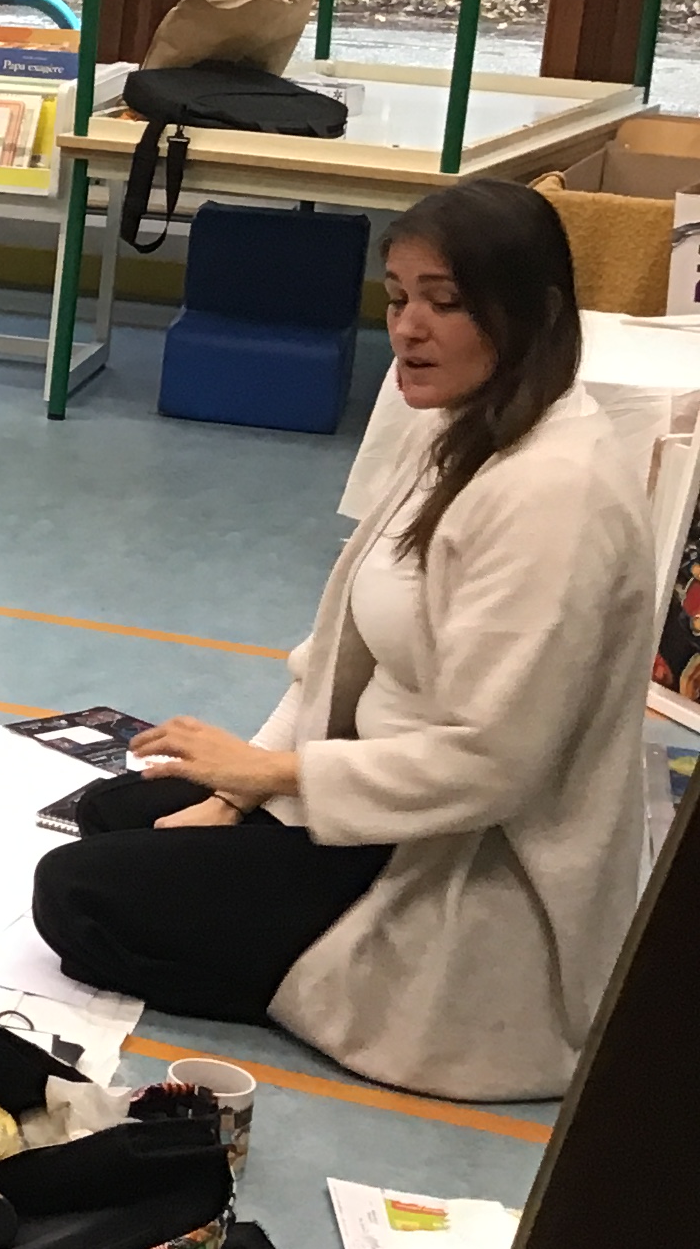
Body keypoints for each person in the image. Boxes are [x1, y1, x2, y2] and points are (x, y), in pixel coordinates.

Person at [32, 179, 653, 1102]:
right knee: (114, 809)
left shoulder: (556, 494)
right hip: (366, 792)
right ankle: (264, 910)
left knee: (74, 893)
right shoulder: (463, 428)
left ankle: (307, 979)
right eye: (398, 298)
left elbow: (491, 766)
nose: (408, 328)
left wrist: (271, 775)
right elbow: (335, 655)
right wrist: (239, 791)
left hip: (440, 850)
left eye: (446, 302)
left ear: (537, 311)